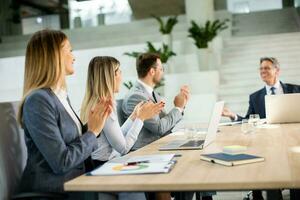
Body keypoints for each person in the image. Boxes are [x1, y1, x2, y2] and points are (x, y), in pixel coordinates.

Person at [17, 30, 112, 198]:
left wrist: (94, 123)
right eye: (69, 50)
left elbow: (70, 141)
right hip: (48, 193)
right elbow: (61, 161)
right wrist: (92, 132)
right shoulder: (38, 100)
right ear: (53, 55)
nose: (74, 57)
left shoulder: (60, 96)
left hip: (74, 186)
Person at [80, 56, 164, 200]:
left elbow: (117, 136)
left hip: (103, 164)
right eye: (118, 72)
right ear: (109, 77)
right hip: (103, 167)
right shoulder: (103, 107)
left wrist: (134, 116)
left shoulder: (97, 102)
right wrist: (141, 119)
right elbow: (123, 148)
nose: (121, 76)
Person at [222, 57, 300, 200]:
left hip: (293, 141)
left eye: (267, 68)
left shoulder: (295, 89)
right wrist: (233, 115)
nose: (263, 71)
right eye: (261, 68)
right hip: (268, 144)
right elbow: (249, 120)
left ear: (277, 70)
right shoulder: (255, 97)